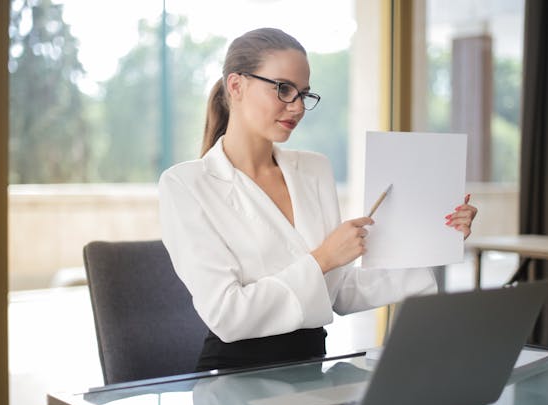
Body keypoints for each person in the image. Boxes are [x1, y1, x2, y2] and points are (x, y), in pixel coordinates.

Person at [159, 27, 477, 372]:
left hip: (312, 367)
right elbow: (227, 315)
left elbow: (338, 292)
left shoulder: (314, 169)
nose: (296, 107)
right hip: (235, 376)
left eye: (303, 94)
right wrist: (323, 258)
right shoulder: (186, 185)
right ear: (236, 86)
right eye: (283, 89)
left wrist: (435, 241)